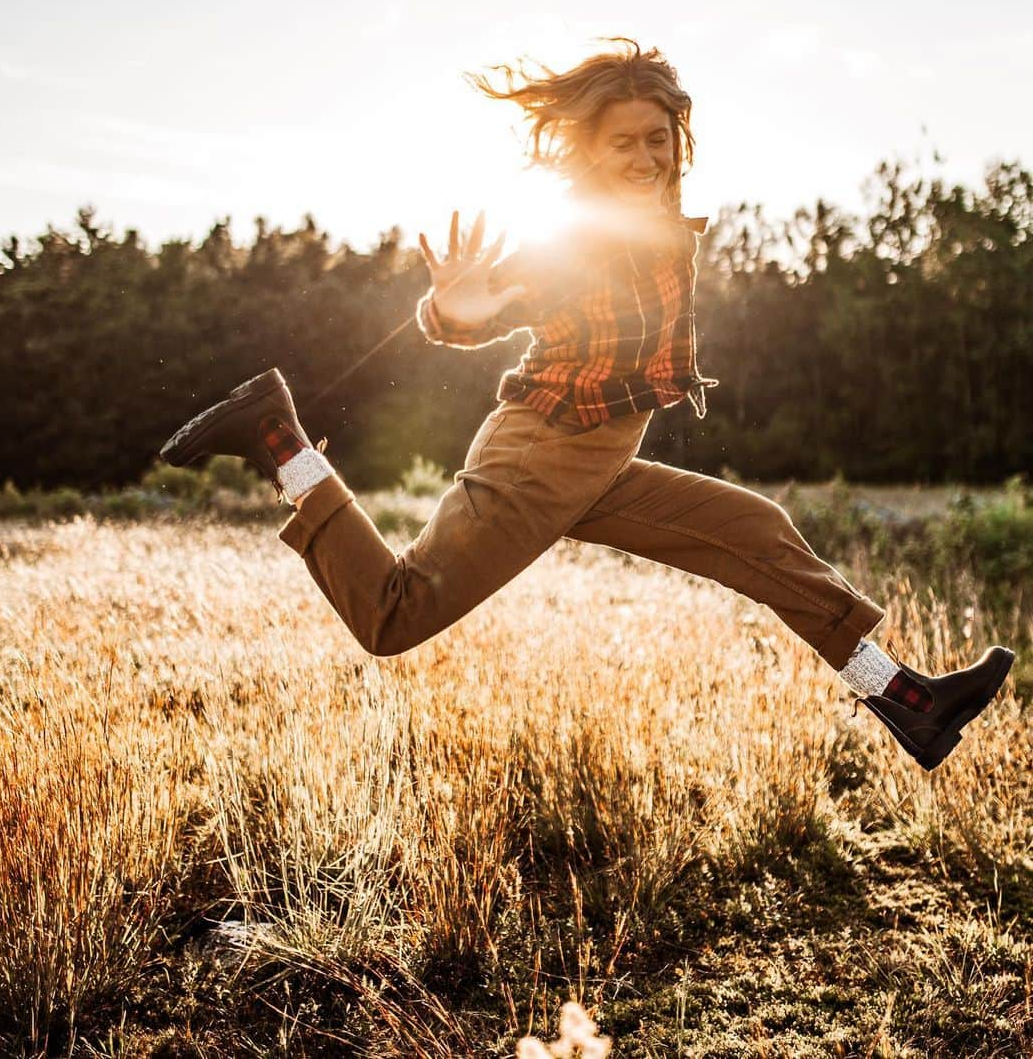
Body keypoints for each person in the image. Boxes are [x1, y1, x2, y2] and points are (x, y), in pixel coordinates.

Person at [159, 39, 1012, 772]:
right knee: (392, 616)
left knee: (756, 534)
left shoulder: (663, 223)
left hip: (597, 457)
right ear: (587, 157)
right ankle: (278, 439)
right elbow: (485, 310)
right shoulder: (579, 239)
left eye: (658, 139)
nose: (644, 159)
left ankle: (909, 704)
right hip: (544, 453)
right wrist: (458, 308)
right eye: (622, 147)